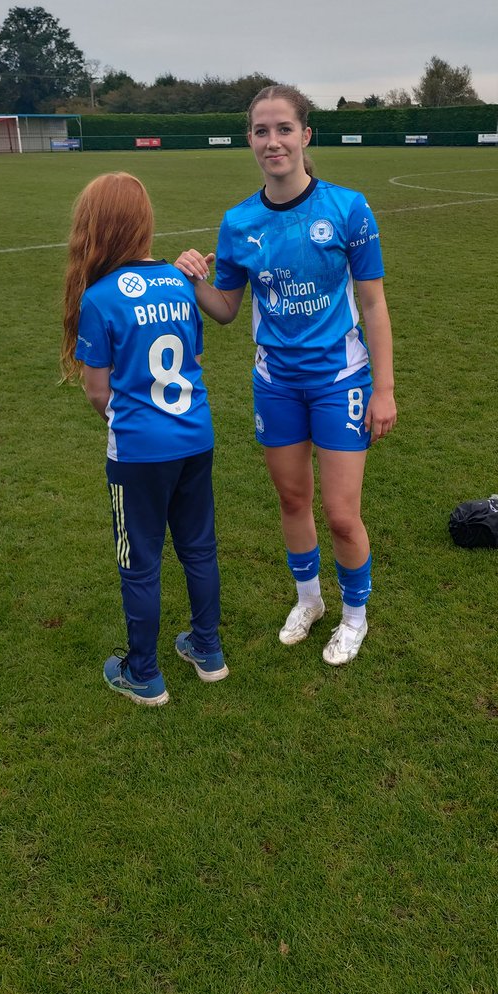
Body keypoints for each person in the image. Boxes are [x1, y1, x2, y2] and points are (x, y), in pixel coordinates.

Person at [176, 85, 396, 666]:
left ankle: (355, 616)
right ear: (250, 140)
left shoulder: (348, 208)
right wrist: (193, 278)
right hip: (274, 383)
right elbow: (225, 310)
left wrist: (385, 390)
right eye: (260, 131)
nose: (272, 141)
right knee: (292, 499)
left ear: (305, 136)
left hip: (340, 380)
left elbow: (373, 305)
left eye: (282, 129)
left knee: (343, 514)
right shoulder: (238, 222)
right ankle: (310, 601)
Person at [61, 171, 228, 706]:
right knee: (199, 548)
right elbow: (195, 360)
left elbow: (96, 390)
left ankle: (143, 673)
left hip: (138, 450)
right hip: (195, 436)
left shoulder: (100, 297)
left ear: (95, 227)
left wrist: (128, 419)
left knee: (139, 560)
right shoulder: (180, 283)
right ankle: (208, 651)